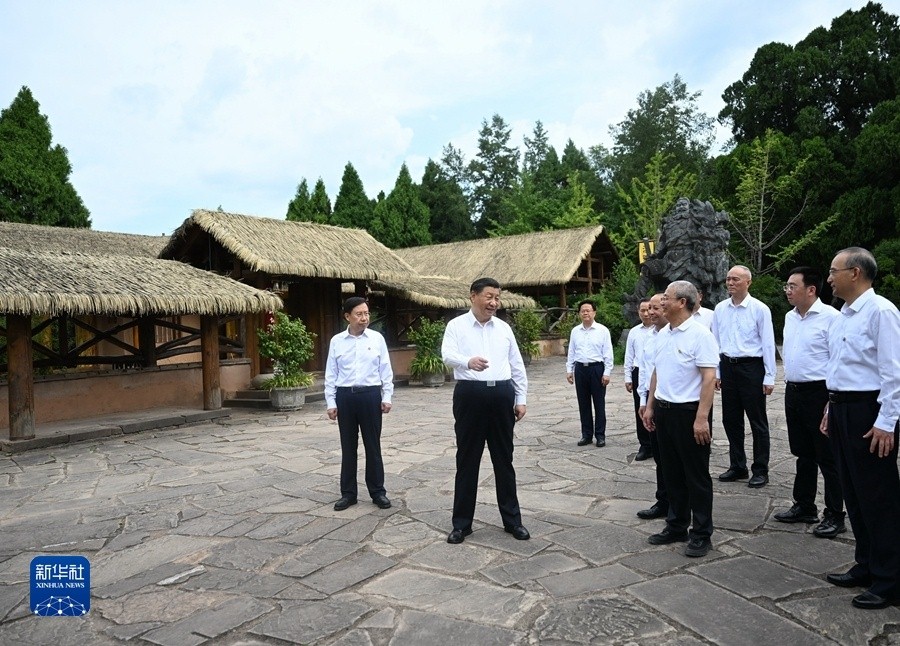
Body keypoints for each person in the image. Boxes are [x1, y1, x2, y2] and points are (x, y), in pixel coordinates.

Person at [822, 248, 900, 610]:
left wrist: (886, 422)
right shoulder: (843, 314)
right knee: (853, 491)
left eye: (833, 271)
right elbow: (840, 367)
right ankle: (866, 564)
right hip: (842, 409)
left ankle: (890, 579)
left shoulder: (881, 311)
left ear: (855, 273)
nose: (829, 278)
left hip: (869, 412)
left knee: (879, 497)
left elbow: (893, 372)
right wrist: (830, 407)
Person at [441, 277, 530, 544]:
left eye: (497, 298)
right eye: (489, 296)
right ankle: (461, 525)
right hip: (470, 395)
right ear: (473, 296)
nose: (494, 302)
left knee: (504, 460)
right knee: (467, 460)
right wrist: (467, 361)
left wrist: (520, 398)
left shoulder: (503, 328)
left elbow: (516, 364)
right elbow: (447, 355)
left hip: (502, 395)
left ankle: (513, 521)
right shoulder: (456, 326)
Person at [641, 281, 719, 557]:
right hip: (664, 411)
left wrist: (702, 418)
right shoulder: (663, 334)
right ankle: (676, 525)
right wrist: (650, 406)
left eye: (666, 298)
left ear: (682, 302)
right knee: (671, 472)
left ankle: (701, 533)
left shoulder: (700, 335)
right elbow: (656, 372)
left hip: (689, 413)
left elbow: (709, 378)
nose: (661, 302)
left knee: (696, 476)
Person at [774, 267, 845, 538]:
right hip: (794, 391)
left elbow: (838, 361)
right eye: (787, 286)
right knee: (803, 452)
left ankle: (835, 514)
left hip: (820, 393)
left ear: (811, 289)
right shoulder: (790, 317)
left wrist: (830, 401)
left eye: (792, 286)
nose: (788, 291)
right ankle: (804, 505)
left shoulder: (832, 318)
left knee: (827, 456)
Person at [324, 297, 394, 512]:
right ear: (347, 316)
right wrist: (331, 401)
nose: (364, 318)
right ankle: (348, 494)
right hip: (345, 397)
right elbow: (331, 373)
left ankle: (378, 492)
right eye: (359, 314)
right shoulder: (337, 341)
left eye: (366, 313)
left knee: (373, 446)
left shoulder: (377, 338)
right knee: (348, 447)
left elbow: (385, 369)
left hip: (370, 396)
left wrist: (387, 396)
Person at [712, 265, 776, 488]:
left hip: (751, 367)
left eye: (735, 279)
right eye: (728, 279)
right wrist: (717, 371)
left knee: (757, 421)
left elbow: (768, 344)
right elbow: (716, 342)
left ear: (748, 282)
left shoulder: (759, 309)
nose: (730, 283)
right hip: (728, 366)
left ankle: (760, 469)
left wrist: (769, 375)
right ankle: (738, 465)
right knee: (731, 419)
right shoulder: (720, 309)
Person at [635, 293, 670, 520]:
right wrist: (643, 401)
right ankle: (663, 501)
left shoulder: (686, 334)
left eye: (656, 308)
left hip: (676, 404)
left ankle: (680, 506)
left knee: (675, 458)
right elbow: (646, 371)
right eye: (649, 309)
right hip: (652, 399)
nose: (650, 313)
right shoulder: (649, 337)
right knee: (659, 455)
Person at [566, 300, 614, 447]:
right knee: (583, 403)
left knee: (599, 404)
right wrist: (569, 370)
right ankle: (586, 435)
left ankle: (600, 435)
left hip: (597, 369)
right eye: (583, 311)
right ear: (579, 313)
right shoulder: (575, 331)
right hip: (580, 369)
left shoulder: (602, 330)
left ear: (594, 312)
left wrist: (607, 372)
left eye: (588, 310)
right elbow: (571, 352)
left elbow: (608, 353)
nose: (585, 313)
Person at [624, 299, 653, 459]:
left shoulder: (660, 330)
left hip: (654, 372)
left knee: (655, 407)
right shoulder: (634, 332)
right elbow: (629, 356)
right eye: (643, 310)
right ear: (638, 312)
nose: (646, 313)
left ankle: (657, 442)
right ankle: (645, 444)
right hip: (638, 371)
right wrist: (628, 377)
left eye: (649, 309)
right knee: (640, 408)